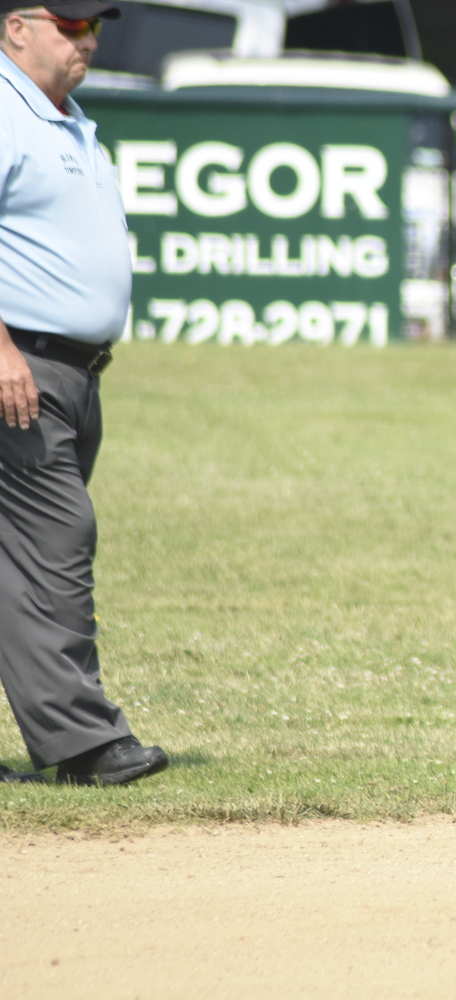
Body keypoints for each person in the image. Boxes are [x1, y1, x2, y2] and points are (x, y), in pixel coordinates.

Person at [0, 2, 167, 786]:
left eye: (94, 23)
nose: (88, 38)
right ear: (15, 28)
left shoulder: (64, 116)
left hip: (68, 372)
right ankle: (85, 744)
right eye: (69, 24)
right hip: (18, 368)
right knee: (59, 542)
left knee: (17, 565)